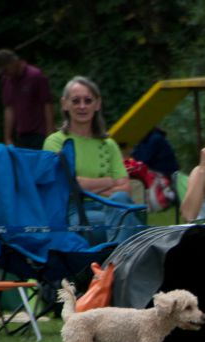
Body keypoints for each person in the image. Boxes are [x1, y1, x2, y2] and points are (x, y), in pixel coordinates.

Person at [43, 76, 142, 243]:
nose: (82, 106)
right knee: (130, 224)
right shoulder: (55, 142)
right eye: (76, 101)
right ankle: (122, 263)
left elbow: (125, 189)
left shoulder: (109, 144)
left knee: (120, 203)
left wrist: (83, 186)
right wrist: (109, 181)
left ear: (97, 104)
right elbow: (65, 187)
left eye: (88, 100)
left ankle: (115, 262)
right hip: (75, 212)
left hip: (113, 207)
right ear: (64, 104)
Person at [0, 48, 55, 150]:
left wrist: (50, 135)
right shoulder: (6, 80)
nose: (5, 73)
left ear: (14, 62)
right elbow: (9, 108)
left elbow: (47, 104)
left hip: (39, 134)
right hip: (21, 136)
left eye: (5, 69)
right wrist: (8, 138)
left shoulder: (35, 75)